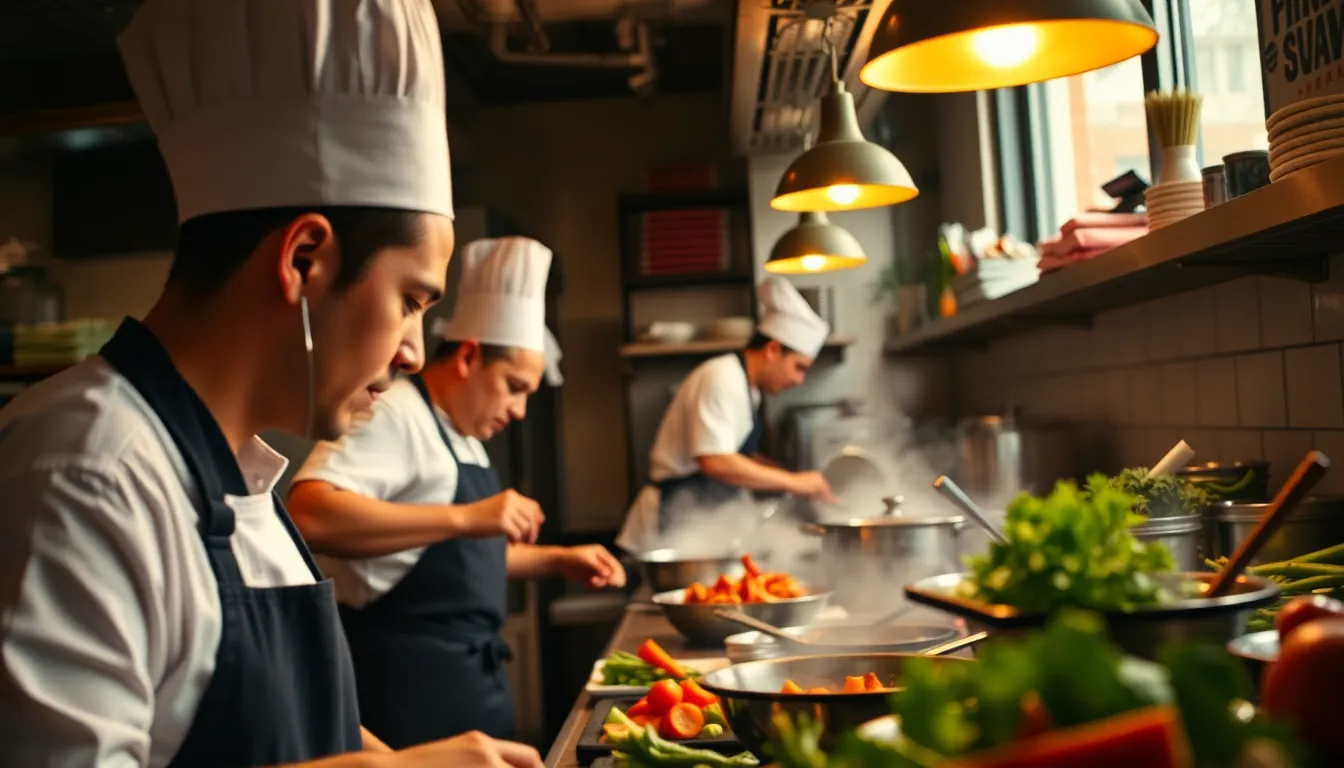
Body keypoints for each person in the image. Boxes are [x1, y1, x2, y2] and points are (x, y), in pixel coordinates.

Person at [0, 1, 541, 766]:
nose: (417, 352)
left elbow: (296, 729)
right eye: (411, 301)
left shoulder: (243, 481)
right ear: (303, 261)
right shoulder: (84, 470)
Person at [286, 236, 625, 749]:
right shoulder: (394, 412)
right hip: (410, 703)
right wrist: (468, 516)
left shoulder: (460, 435)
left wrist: (557, 559)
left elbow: (456, 560)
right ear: (469, 357)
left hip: (471, 689)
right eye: (515, 387)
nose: (518, 412)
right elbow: (310, 513)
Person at [617, 277, 838, 554]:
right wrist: (795, 482)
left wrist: (786, 475)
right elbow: (716, 461)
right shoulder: (721, 377)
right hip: (674, 517)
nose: (799, 380)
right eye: (798, 367)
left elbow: (739, 455)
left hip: (700, 517)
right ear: (772, 350)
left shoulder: (748, 389)